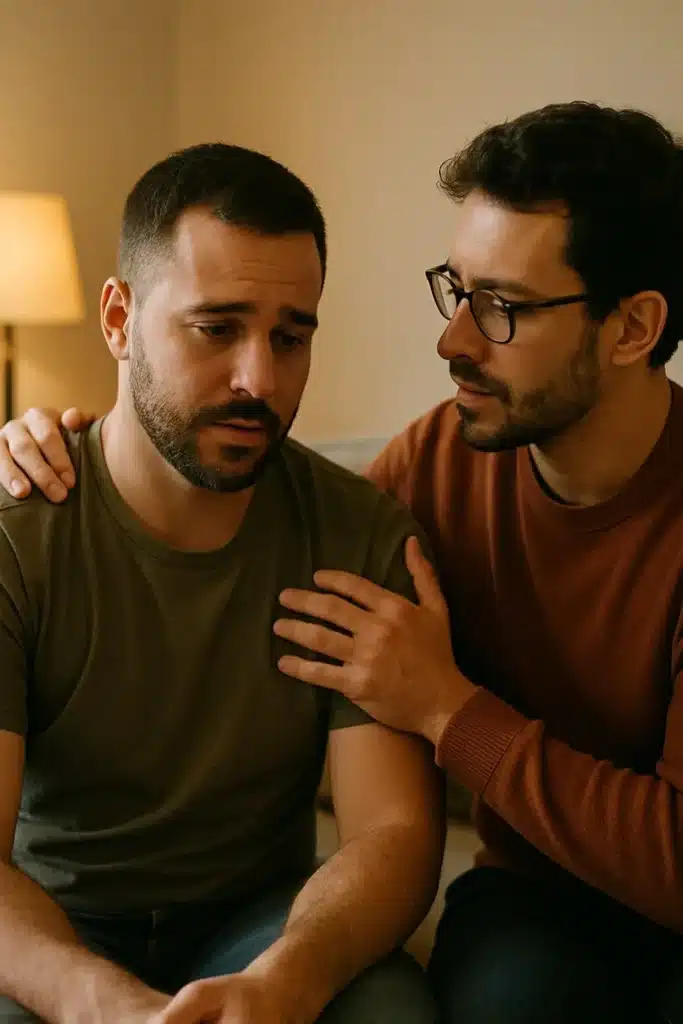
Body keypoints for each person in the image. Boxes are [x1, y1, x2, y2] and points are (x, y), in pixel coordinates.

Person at [13, 101, 683, 1022]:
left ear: (631, 328)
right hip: (535, 893)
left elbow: (399, 831)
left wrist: (446, 708)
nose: (450, 341)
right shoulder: (428, 475)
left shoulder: (370, 519)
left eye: (503, 309)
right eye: (458, 291)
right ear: (119, 318)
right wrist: (40, 439)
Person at [0, 143, 444, 1024]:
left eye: (290, 336)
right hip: (54, 924)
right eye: (217, 327)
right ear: (119, 319)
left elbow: (390, 831)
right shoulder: (19, 532)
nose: (260, 380)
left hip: (263, 925)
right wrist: (107, 1005)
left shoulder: (358, 532)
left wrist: (290, 976)